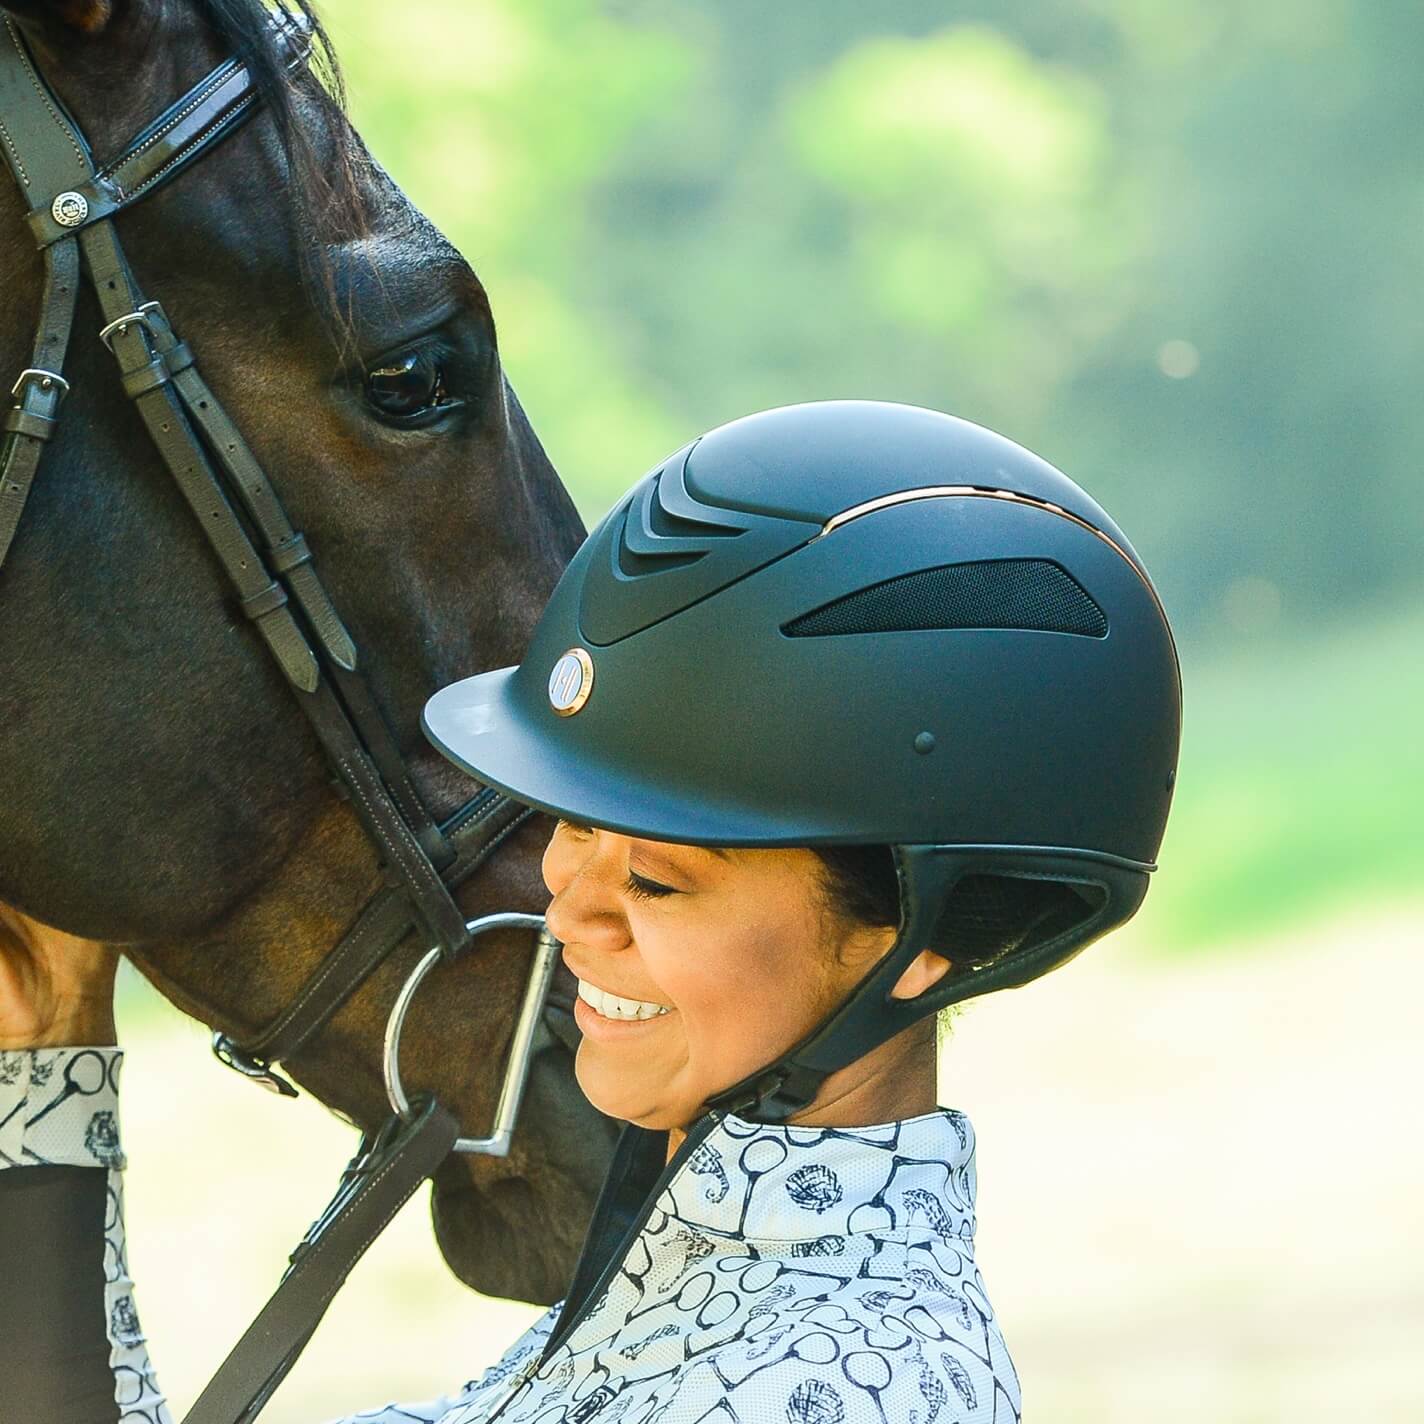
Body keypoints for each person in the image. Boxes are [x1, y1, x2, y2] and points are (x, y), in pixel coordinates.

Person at [0, 400, 1181, 1423]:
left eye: (658, 880)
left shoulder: (839, 1388)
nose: (571, 915)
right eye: (567, 826)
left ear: (922, 934)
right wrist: (43, 1049)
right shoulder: (671, 1307)